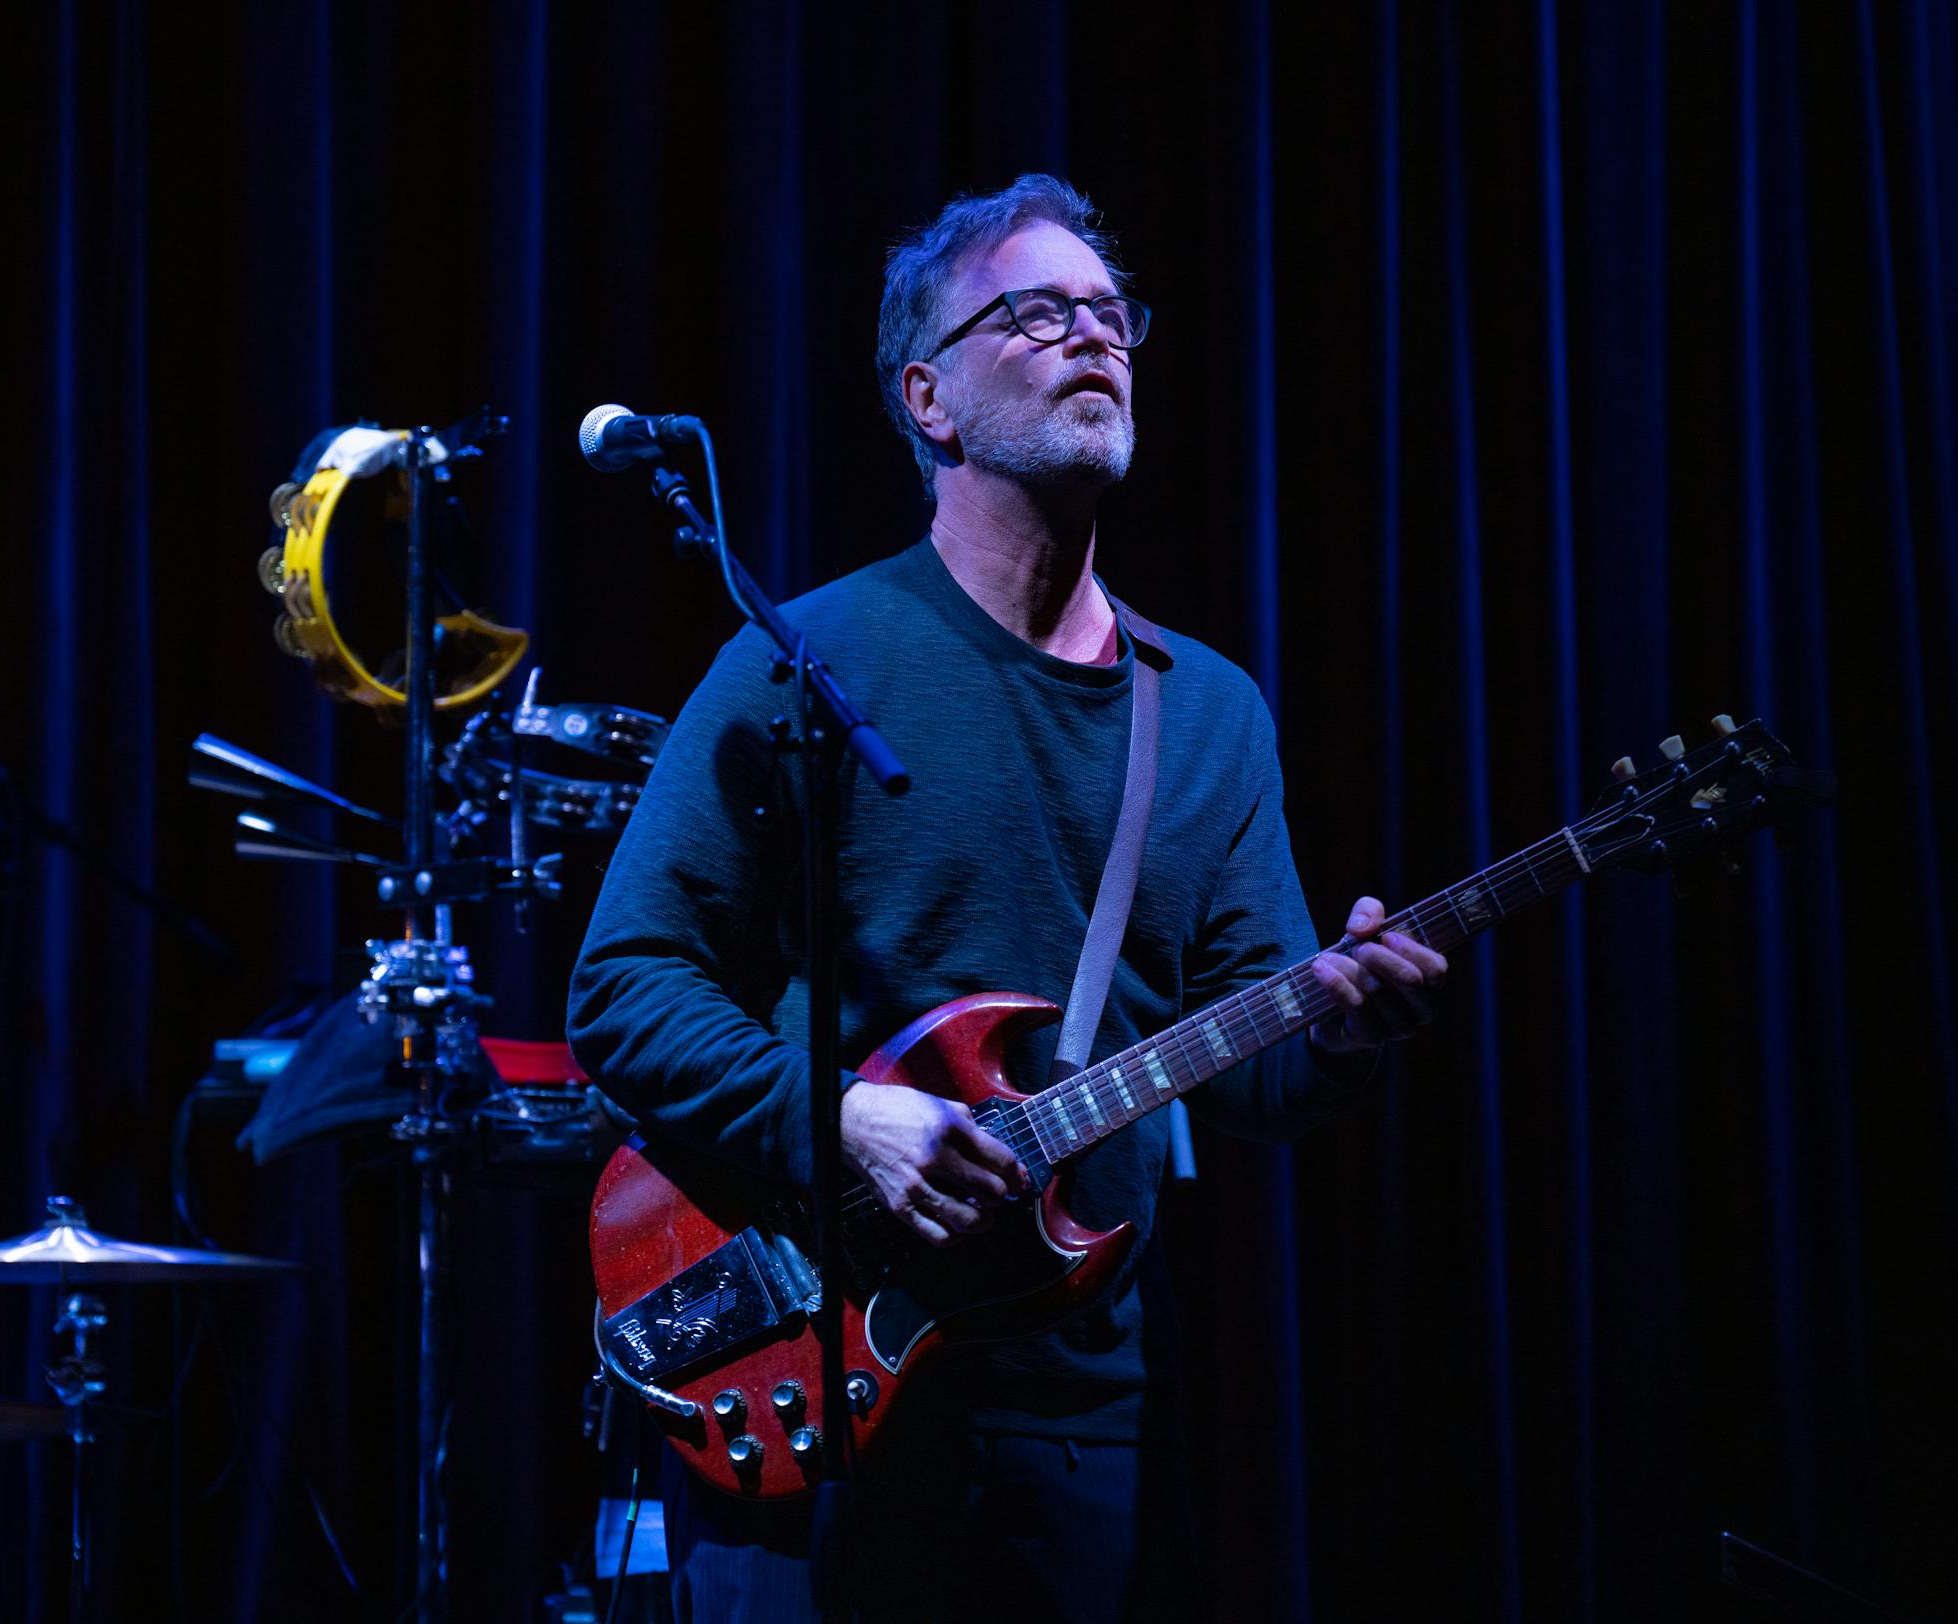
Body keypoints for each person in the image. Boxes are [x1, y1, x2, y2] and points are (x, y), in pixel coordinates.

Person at [566, 174, 1446, 1623]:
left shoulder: (1208, 712)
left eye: (1111, 313)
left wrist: (1341, 1027)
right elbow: (624, 987)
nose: (1093, 336)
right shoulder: (809, 658)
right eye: (1037, 313)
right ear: (931, 399)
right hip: (803, 1379)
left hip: (1070, 1414)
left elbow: (1258, 1078)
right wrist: (844, 1111)